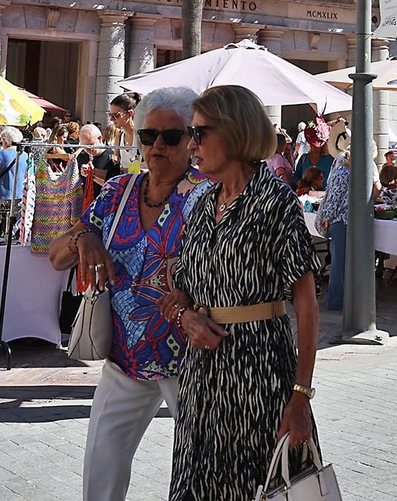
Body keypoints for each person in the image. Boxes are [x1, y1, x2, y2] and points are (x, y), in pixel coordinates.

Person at [159, 84, 319, 501]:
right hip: (200, 376)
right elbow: (180, 291)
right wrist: (185, 317)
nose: (192, 144)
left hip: (259, 371)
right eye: (191, 133)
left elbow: (306, 305)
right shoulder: (201, 202)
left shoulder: (276, 201)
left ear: (233, 131)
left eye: (200, 133)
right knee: (198, 483)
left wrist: (301, 395)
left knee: (256, 485)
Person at [47, 86, 207, 501]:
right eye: (148, 135)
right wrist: (84, 238)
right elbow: (56, 257)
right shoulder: (118, 192)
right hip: (126, 358)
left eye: (171, 137)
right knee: (101, 468)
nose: (158, 146)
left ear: (192, 140)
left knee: (203, 472)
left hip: (189, 358)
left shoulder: (206, 196)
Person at [318, 145, 350, 311]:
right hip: (340, 221)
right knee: (339, 261)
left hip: (342, 220)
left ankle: (337, 297)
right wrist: (327, 218)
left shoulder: (343, 173)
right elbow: (334, 199)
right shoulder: (343, 173)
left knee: (341, 261)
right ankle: (336, 299)